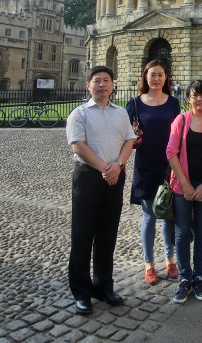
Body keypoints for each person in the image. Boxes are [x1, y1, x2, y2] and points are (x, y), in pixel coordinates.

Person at [66, 66, 136, 316]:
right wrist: (104, 168)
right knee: (82, 235)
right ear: (89, 85)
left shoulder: (120, 113)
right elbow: (78, 146)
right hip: (88, 177)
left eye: (106, 80)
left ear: (112, 85)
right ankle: (82, 292)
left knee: (108, 235)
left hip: (115, 176)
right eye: (97, 81)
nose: (102, 85)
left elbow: (130, 140)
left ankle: (104, 286)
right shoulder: (79, 113)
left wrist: (118, 165)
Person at [126, 59, 181, 284]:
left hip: (169, 165)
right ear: (145, 77)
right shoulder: (135, 103)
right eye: (152, 75)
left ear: (166, 77)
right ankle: (149, 263)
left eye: (160, 75)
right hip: (145, 164)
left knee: (167, 215)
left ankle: (170, 259)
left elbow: (179, 133)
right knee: (149, 216)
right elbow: (125, 135)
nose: (156, 79)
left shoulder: (173, 103)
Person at [166, 80, 202, 304]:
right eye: (195, 95)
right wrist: (185, 184)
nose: (199, 99)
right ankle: (185, 277)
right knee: (182, 232)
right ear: (188, 99)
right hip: (182, 185)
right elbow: (171, 152)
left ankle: (200, 277)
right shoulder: (182, 120)